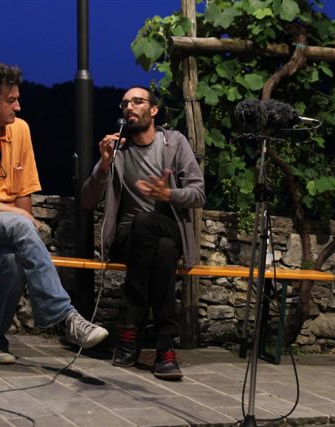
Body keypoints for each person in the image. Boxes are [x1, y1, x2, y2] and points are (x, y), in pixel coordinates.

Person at [0, 62, 108, 364]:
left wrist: (26, 222)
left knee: (14, 260)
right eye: (10, 100)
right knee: (19, 226)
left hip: (0, 223)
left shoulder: (20, 130)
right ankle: (66, 317)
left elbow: (23, 190)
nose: (18, 106)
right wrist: (19, 219)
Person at [81, 86, 205, 380]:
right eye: (125, 103)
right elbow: (87, 200)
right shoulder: (118, 149)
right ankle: (165, 347)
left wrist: (170, 194)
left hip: (168, 226)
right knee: (161, 249)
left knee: (150, 225)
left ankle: (130, 328)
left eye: (137, 101)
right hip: (128, 236)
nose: (129, 107)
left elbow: (198, 194)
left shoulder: (174, 143)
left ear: (153, 110)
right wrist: (103, 167)